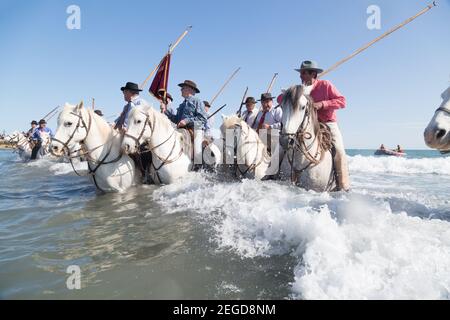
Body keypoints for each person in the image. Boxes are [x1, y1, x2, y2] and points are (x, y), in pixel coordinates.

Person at [295, 60, 350, 191]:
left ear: (313, 74)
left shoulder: (326, 85)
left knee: (339, 150)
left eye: (303, 73)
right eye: (301, 73)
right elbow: (281, 99)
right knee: (288, 144)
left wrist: (322, 104)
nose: (300, 76)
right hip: (306, 125)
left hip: (327, 123)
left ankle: (343, 186)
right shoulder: (300, 90)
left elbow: (342, 101)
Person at [161, 80, 208, 167]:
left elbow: (202, 118)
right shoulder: (182, 105)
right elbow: (176, 120)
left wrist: (186, 121)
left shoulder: (197, 101)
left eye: (183, 88)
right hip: (182, 129)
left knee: (197, 151)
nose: (181, 90)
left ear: (190, 89)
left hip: (196, 128)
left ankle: (199, 169)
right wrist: (165, 111)